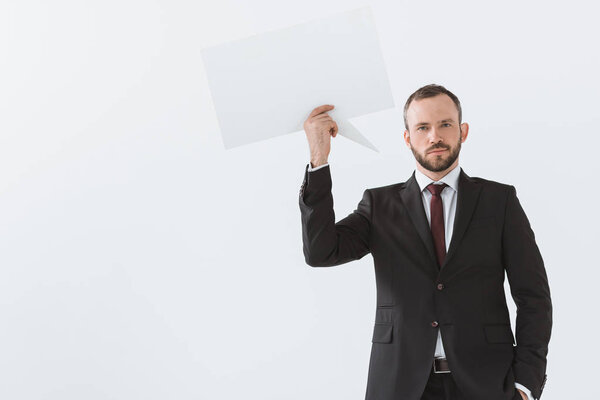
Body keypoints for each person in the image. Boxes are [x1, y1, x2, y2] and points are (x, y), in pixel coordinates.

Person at [298, 84, 552, 400]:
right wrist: (319, 158)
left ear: (463, 131)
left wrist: (525, 384)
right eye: (423, 127)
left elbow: (533, 297)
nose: (435, 137)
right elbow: (321, 252)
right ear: (408, 138)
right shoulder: (379, 206)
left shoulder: (499, 202)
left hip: (487, 384)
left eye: (445, 124)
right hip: (400, 385)